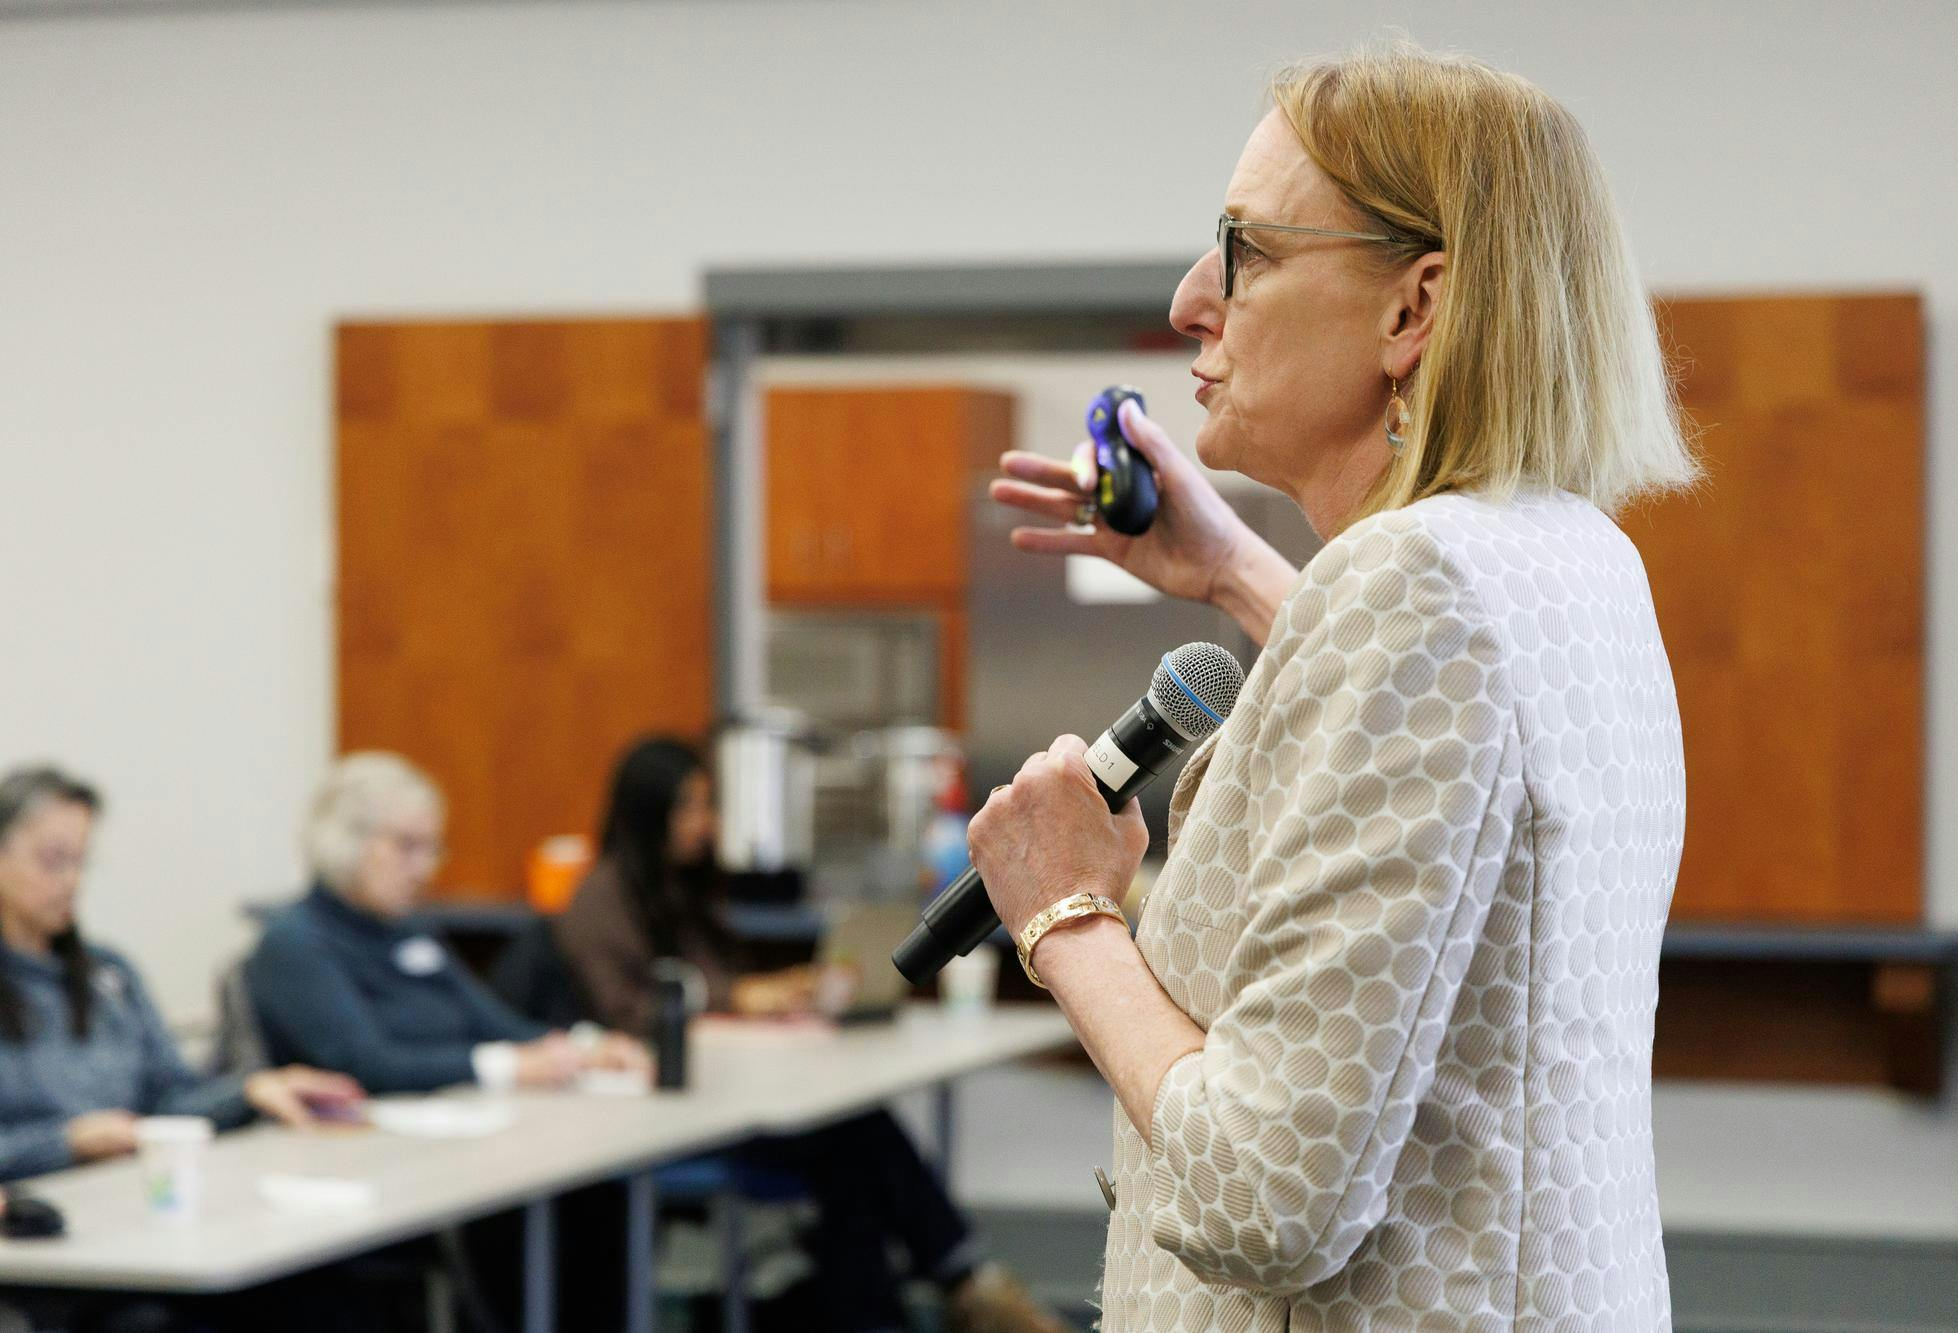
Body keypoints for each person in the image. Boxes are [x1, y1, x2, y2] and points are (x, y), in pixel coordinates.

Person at [978, 43, 1696, 1332]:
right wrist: (1235, 571)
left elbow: (1267, 1197)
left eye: (1244, 249)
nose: (1195, 298)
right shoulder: (1563, 553)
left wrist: (1067, 915)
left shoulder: (1410, 590)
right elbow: (1455, 753)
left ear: (1411, 309)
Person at [539, 735, 1066, 1333]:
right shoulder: (600, 903)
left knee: (853, 1135)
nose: (704, 824)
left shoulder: (680, 892)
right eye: (689, 807)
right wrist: (742, 998)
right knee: (851, 1142)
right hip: (660, 1123)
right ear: (647, 812)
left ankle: (935, 1296)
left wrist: (778, 993)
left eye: (708, 806)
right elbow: (632, 1014)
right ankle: (959, 1287)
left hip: (722, 1098)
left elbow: (716, 984)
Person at [245, 751, 650, 1330]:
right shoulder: (294, 944)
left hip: (456, 1146)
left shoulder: (409, 933)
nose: (424, 868)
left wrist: (583, 1048)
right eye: (407, 846)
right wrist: (506, 1068)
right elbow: (368, 1064)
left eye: (431, 848)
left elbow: (496, 1024)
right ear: (346, 841)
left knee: (596, 1199)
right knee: (537, 1216)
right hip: (363, 1169)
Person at [0, 766, 361, 1184]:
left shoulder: (110, 974)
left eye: (81, 862)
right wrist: (65, 1142)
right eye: (53, 861)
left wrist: (250, 1091)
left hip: (135, 1191)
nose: (71, 881)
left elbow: (171, 1101)